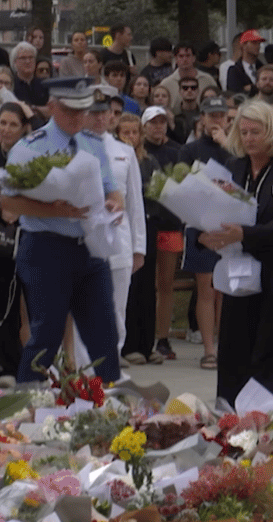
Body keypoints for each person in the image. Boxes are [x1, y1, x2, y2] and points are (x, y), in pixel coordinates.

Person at [1, 78, 125, 386]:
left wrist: (114, 204)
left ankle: (113, 408)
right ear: (53, 106)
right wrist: (55, 210)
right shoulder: (30, 147)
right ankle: (25, 409)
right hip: (46, 247)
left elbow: (113, 189)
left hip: (90, 247)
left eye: (83, 109)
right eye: (70, 110)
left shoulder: (93, 143)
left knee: (104, 334)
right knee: (46, 336)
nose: (78, 117)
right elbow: (8, 200)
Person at [197, 99, 273, 404]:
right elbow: (212, 207)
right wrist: (204, 233)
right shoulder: (233, 167)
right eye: (243, 132)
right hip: (238, 272)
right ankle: (228, 418)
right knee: (232, 349)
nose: (249, 138)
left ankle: (263, 421)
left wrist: (246, 233)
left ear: (272, 132)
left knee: (268, 353)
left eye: (255, 132)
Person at [70, 86, 145, 373]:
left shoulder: (124, 151)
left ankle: (109, 368)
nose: (100, 118)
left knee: (116, 310)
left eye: (105, 112)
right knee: (81, 310)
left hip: (119, 243)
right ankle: (84, 371)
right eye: (94, 112)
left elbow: (135, 203)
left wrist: (139, 247)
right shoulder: (71, 146)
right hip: (82, 241)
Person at [179, 96, 234, 369]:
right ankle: (209, 349)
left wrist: (227, 143)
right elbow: (181, 184)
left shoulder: (234, 148)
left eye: (220, 115)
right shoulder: (190, 150)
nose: (216, 120)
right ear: (202, 118)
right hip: (200, 223)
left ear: (227, 119)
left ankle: (226, 346)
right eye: (211, 115)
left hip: (230, 224)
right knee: (206, 287)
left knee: (225, 287)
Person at [113, 112, 160, 365]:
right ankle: (128, 344)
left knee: (146, 288)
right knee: (126, 290)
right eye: (126, 132)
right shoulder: (117, 157)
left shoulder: (149, 160)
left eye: (135, 132)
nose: (131, 137)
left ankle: (146, 343)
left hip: (147, 227)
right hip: (123, 231)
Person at [141, 105, 183, 362]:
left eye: (161, 122)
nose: (158, 127)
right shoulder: (138, 153)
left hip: (170, 222)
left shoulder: (176, 151)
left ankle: (163, 338)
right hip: (145, 223)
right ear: (144, 126)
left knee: (166, 284)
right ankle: (143, 334)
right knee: (144, 285)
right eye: (152, 123)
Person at [0, 103, 30, 382]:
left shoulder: (30, 157)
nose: (6, 129)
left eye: (12, 124)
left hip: (26, 233)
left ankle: (15, 361)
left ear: (23, 129)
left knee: (23, 301)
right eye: (2, 123)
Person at [161, 43, 218, 113]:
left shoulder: (208, 80)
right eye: (181, 56)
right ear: (176, 59)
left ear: (194, 58)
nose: (185, 59)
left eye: (188, 56)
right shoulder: (166, 84)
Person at [12, 43, 49, 117]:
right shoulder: (11, 84)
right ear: (15, 62)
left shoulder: (44, 84)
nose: (28, 61)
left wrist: (31, 108)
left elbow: (51, 110)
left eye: (31, 57)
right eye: (23, 58)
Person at [226, 29, 265, 96]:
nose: (258, 46)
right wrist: (257, 88)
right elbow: (234, 94)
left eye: (259, 43)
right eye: (254, 42)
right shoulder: (234, 70)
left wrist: (251, 88)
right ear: (243, 45)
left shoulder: (263, 68)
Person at [171, 76, 202, 144]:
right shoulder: (172, 114)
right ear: (180, 91)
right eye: (185, 88)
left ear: (198, 91)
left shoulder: (204, 114)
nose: (189, 90)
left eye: (193, 88)